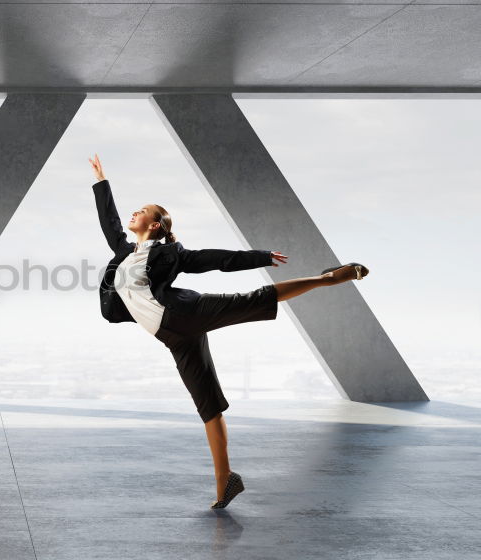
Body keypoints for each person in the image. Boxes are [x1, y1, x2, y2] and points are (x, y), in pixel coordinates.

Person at [87, 153, 369, 509]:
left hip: (183, 313)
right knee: (208, 405)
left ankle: (327, 278)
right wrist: (101, 180)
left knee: (252, 299)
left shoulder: (170, 254)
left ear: (156, 225)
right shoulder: (125, 253)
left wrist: (261, 256)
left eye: (142, 211)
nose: (134, 214)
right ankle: (226, 480)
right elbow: (110, 222)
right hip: (171, 335)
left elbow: (215, 260)